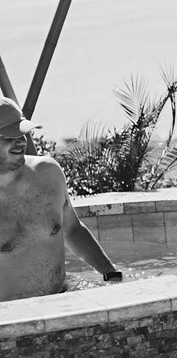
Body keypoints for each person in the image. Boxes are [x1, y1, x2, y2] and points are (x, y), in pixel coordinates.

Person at [0, 97, 123, 301]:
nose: (21, 142)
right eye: (10, 136)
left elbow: (72, 230)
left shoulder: (48, 174)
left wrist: (111, 274)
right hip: (12, 317)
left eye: (22, 134)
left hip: (61, 300)